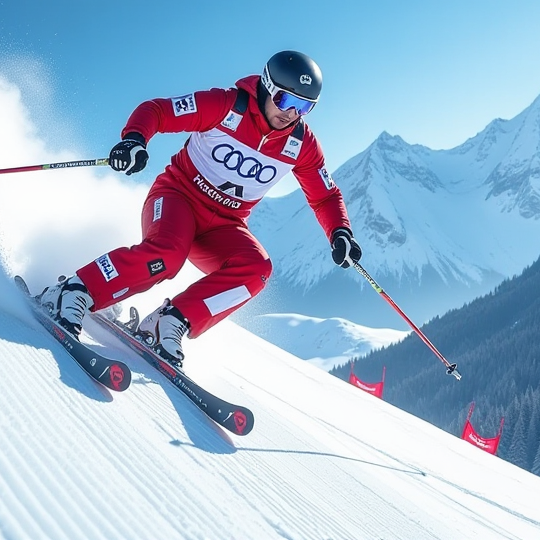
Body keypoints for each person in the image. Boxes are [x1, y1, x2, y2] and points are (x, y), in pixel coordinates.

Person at [38, 50, 362, 367]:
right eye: (285, 100)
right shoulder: (224, 105)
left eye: (304, 106)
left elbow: (324, 195)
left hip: (224, 225)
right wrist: (134, 139)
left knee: (257, 268)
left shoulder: (301, 143)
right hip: (177, 197)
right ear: (266, 86)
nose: (291, 113)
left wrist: (340, 232)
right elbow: (158, 110)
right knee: (166, 256)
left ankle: (170, 321)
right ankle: (74, 290)